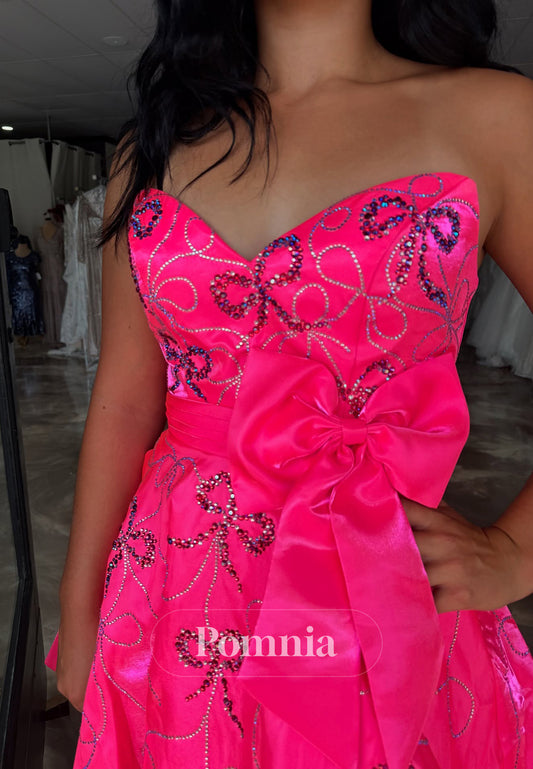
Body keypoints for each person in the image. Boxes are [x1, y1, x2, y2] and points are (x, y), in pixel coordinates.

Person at [46, 0, 533, 766]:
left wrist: (515, 550)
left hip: (370, 584)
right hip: (177, 585)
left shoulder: (492, 115)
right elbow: (126, 399)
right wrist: (79, 612)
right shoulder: (154, 146)